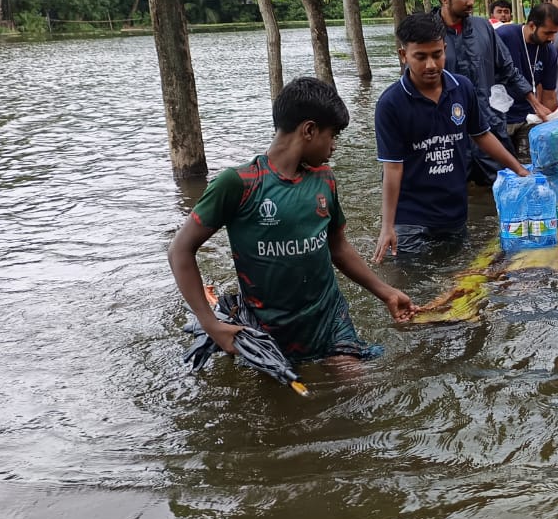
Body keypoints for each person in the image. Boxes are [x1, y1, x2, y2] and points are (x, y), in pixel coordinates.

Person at [169, 76, 416, 360]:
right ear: (309, 130)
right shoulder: (240, 184)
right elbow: (180, 250)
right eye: (332, 135)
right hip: (268, 327)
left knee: (354, 385)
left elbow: (339, 247)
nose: (334, 147)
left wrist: (386, 292)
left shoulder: (325, 180)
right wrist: (211, 324)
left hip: (329, 317)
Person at [373, 14, 530, 259]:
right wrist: (387, 226)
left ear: (445, 49)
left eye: (437, 54)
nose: (431, 65)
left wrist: (519, 170)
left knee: (459, 281)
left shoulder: (462, 88)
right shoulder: (391, 103)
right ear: (403, 56)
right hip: (411, 219)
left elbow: (482, 135)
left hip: (454, 213)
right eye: (420, 57)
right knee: (416, 283)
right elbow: (392, 168)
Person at [431, 0, 551, 184]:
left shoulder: (483, 28)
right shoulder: (428, 34)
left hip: (489, 128)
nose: (471, 2)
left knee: (504, 187)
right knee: (454, 193)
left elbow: (508, 69)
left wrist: (536, 104)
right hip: (448, 135)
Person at [496, 2, 558, 151]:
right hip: (500, 117)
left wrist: (550, 123)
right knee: (500, 168)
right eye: (548, 33)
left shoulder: (549, 51)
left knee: (528, 166)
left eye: (554, 33)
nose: (552, 38)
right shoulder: (504, 36)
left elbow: (549, 94)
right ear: (532, 26)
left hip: (528, 118)